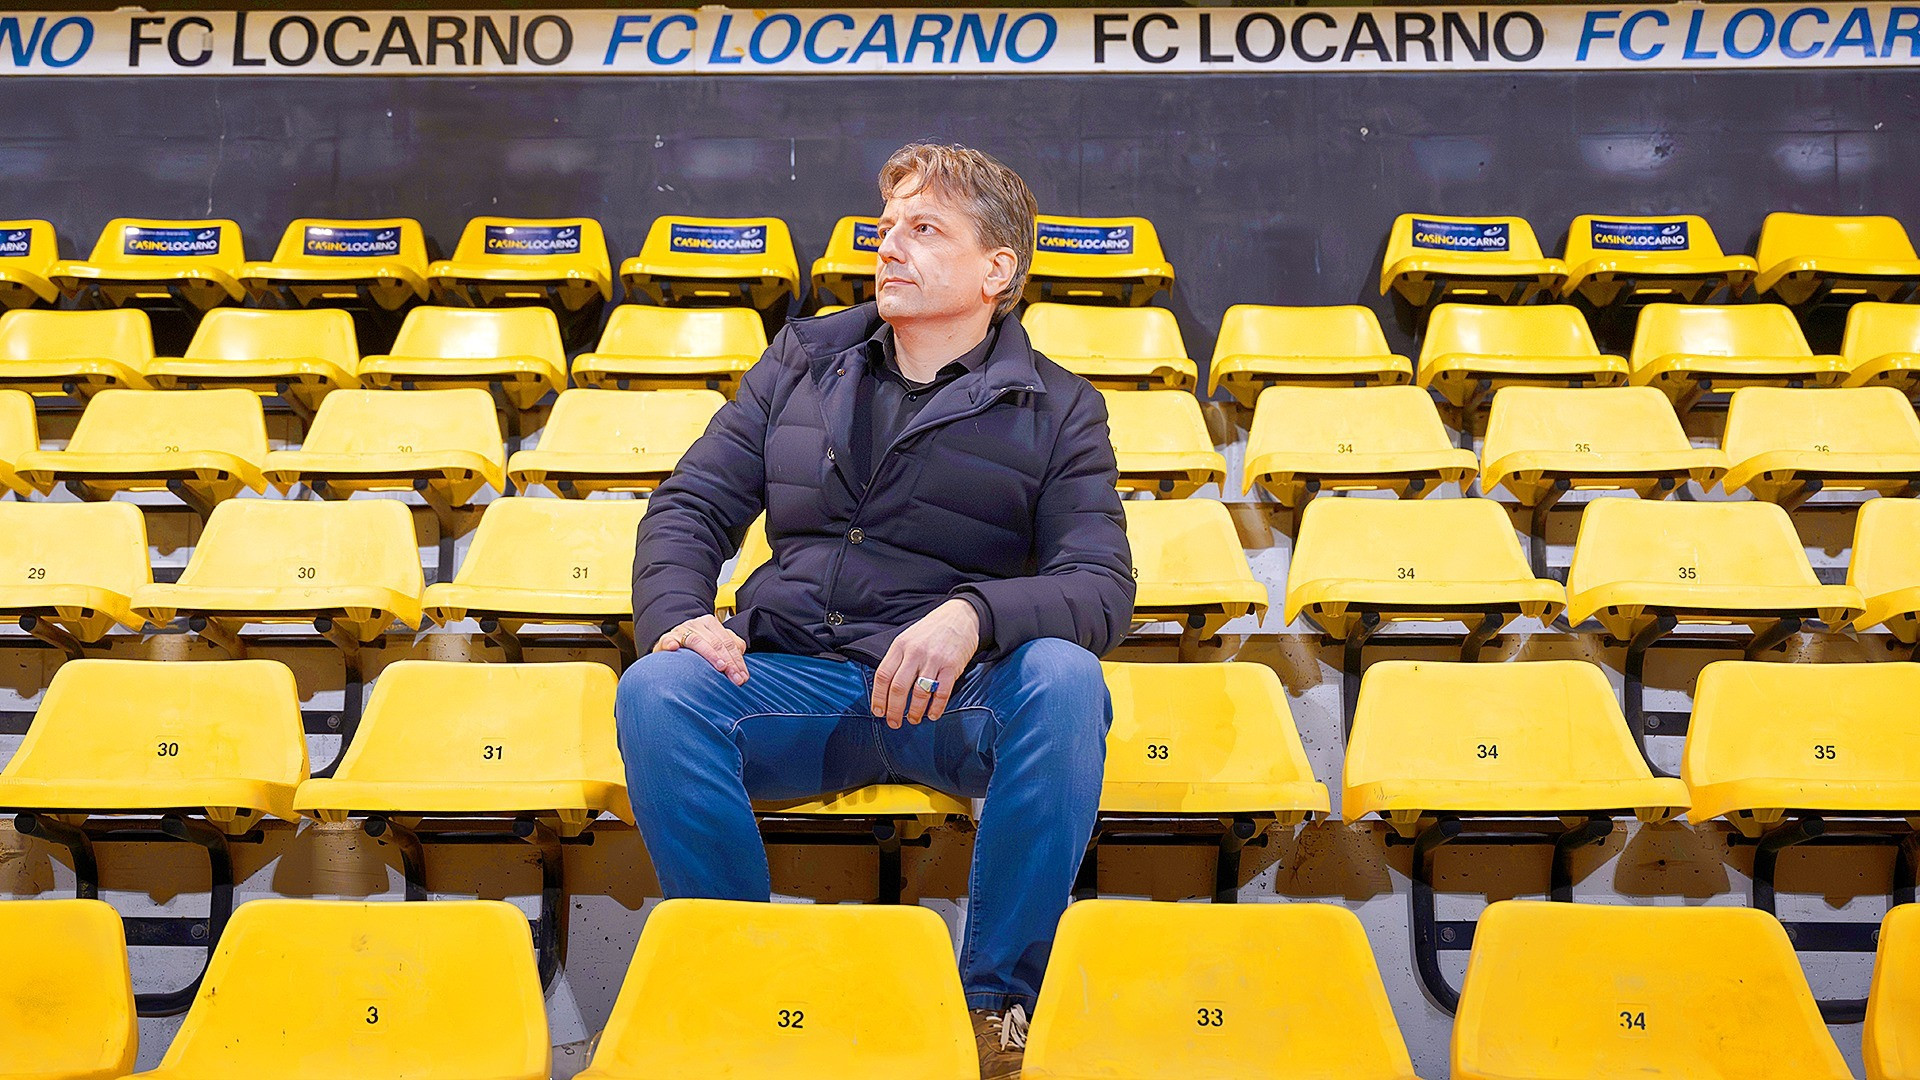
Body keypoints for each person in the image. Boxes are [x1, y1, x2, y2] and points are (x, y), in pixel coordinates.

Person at [615, 142, 1134, 1079]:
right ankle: (739, 989)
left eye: (923, 229)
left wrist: (973, 615)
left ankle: (995, 1010)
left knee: (1065, 678)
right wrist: (677, 615)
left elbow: (1100, 586)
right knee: (658, 689)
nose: (887, 246)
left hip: (953, 702)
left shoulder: (1061, 407)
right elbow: (691, 504)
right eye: (885, 226)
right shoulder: (802, 357)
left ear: (996, 271)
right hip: (798, 688)